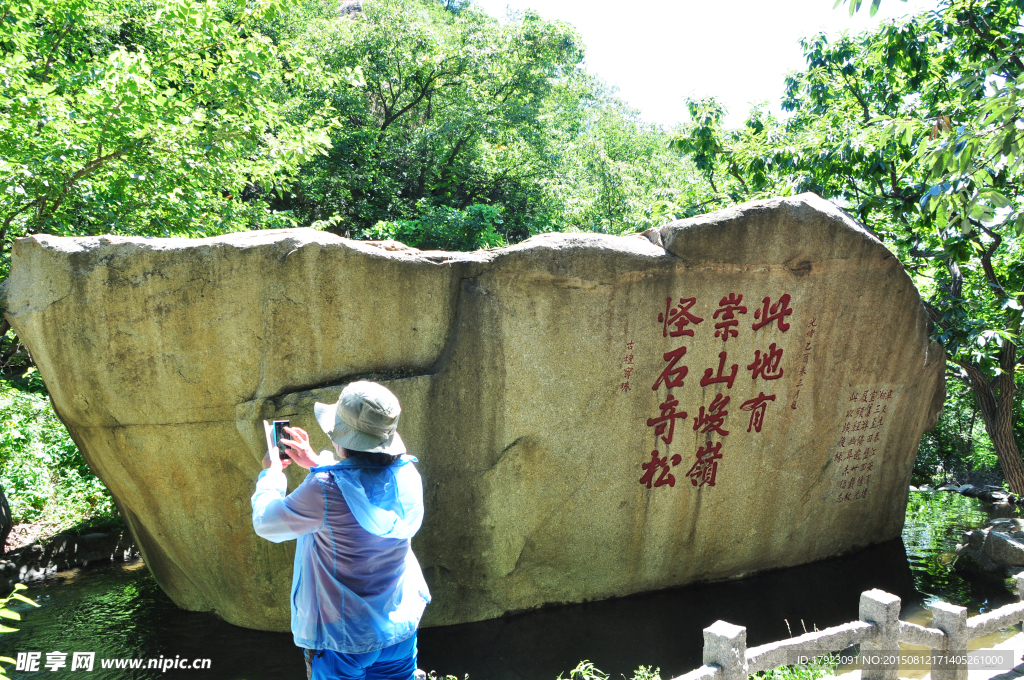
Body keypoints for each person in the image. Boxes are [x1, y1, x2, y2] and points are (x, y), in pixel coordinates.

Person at [251, 381, 431, 680]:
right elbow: (361, 484)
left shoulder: (324, 489)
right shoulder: (408, 474)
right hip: (398, 629)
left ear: (342, 436)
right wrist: (316, 463)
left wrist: (272, 473)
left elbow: (267, 523)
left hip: (343, 640)